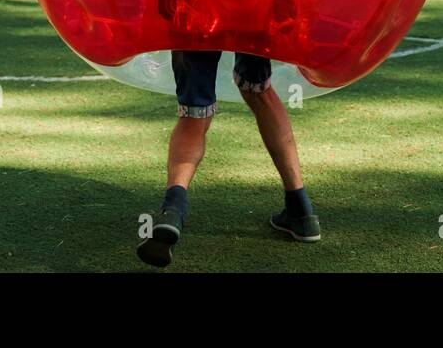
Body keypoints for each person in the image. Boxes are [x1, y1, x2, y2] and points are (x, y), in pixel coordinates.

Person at [136, 47, 321, 268]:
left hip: (198, 16)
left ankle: (172, 211)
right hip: (253, 15)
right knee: (259, 89)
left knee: (194, 111)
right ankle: (301, 211)